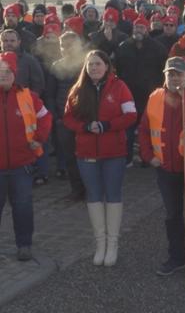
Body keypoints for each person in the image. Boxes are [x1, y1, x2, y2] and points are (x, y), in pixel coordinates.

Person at [138, 57, 185, 281]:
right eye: (170, 74)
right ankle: (177, 257)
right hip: (166, 168)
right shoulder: (155, 97)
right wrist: (148, 156)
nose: (174, 78)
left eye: (179, 74)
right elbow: (144, 130)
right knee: (172, 216)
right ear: (165, 76)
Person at [63, 50, 137, 267]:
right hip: (86, 153)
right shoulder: (77, 89)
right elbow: (68, 118)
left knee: (113, 195)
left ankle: (112, 244)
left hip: (113, 153)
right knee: (94, 196)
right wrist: (85, 127)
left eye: (98, 64)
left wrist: (107, 125)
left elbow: (130, 115)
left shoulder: (120, 87)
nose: (94, 68)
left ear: (107, 66)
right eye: (90, 64)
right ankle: (100, 243)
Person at [0, 52, 52, 261]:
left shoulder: (28, 96)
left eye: (7, 72)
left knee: (22, 208)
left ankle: (24, 245)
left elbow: (45, 117)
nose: (3, 75)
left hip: (22, 165)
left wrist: (39, 139)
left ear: (15, 74)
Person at [113, 17, 167, 165]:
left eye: (142, 27)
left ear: (147, 29)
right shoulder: (123, 47)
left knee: (148, 129)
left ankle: (147, 158)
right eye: (136, 27)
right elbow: (117, 69)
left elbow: (164, 71)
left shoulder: (158, 48)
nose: (139, 30)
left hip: (150, 95)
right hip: (128, 95)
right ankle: (128, 158)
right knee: (128, 129)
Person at [48, 32, 87, 201]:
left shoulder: (87, 64)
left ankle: (91, 188)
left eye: (70, 45)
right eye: (63, 46)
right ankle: (77, 189)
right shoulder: (56, 66)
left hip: (85, 117)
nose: (66, 49)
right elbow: (50, 94)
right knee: (70, 157)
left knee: (88, 156)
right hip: (64, 119)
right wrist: (56, 117)